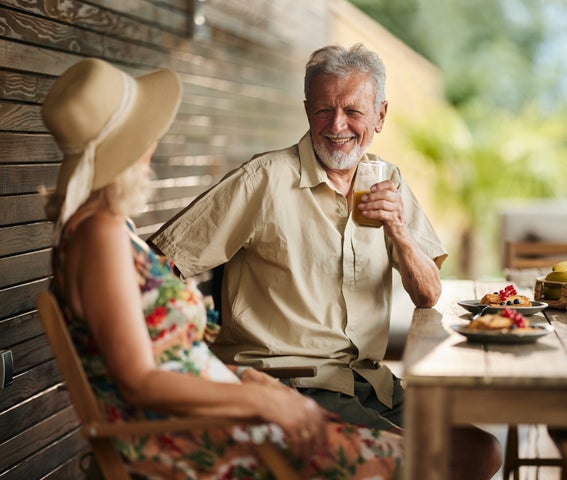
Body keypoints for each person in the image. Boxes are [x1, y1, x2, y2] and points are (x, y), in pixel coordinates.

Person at [150, 44, 502, 478]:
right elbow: (157, 262)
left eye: (353, 111)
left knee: (481, 452)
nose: (337, 126)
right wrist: (196, 357)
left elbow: (428, 293)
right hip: (290, 383)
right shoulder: (263, 180)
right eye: (323, 110)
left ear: (380, 116)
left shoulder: (386, 180)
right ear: (306, 111)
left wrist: (400, 231)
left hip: (365, 380)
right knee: (415, 461)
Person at [41, 57, 405, 479]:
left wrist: (248, 379)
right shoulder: (99, 235)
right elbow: (138, 381)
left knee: (415, 452)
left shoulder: (104, 228)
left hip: (224, 418)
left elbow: (171, 357)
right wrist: (262, 402)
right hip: (198, 440)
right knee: (408, 462)